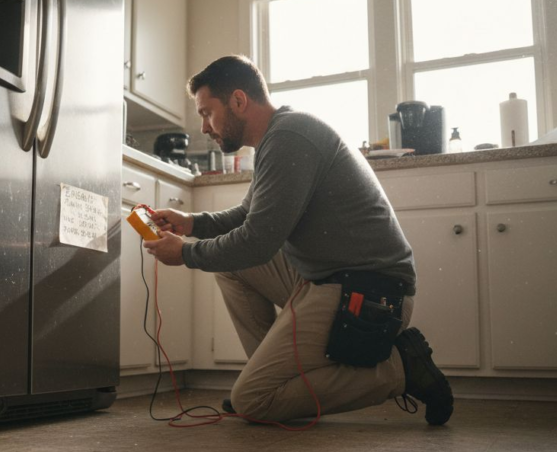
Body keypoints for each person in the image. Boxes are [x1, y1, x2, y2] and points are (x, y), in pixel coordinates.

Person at [142, 55, 453, 426]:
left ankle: (402, 369)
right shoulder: (277, 138)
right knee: (232, 268)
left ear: (239, 101)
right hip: (334, 279)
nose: (205, 127)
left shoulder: (289, 137)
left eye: (208, 112)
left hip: (370, 290)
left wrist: (186, 254)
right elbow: (247, 217)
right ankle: (277, 382)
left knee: (253, 401)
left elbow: (257, 242)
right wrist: (190, 223)